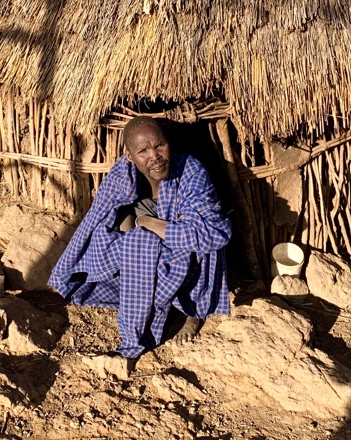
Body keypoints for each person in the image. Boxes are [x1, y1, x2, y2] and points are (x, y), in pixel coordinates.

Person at [49, 116, 231, 360]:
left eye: (160, 145)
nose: (154, 156)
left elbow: (213, 233)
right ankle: (141, 311)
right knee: (129, 240)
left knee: (199, 242)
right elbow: (96, 220)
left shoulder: (191, 172)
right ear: (129, 156)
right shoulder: (122, 175)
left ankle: (191, 311)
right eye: (143, 151)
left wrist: (149, 223)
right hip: (141, 252)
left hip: (183, 252)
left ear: (169, 144)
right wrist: (137, 237)